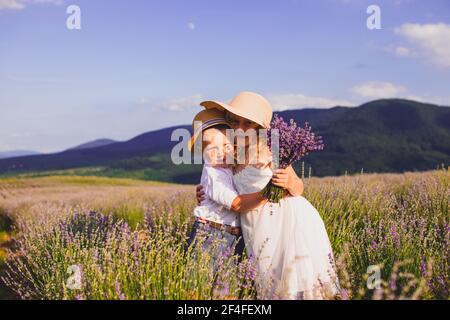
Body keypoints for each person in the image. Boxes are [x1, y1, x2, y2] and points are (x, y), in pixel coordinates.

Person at [197, 91, 339, 299]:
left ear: (260, 128)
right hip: (255, 223)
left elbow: (298, 188)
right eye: (235, 121)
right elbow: (221, 184)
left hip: (288, 220)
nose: (240, 128)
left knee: (293, 281)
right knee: (269, 282)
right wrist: (206, 192)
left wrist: (290, 182)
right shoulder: (228, 152)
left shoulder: (270, 151)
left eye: (248, 123)